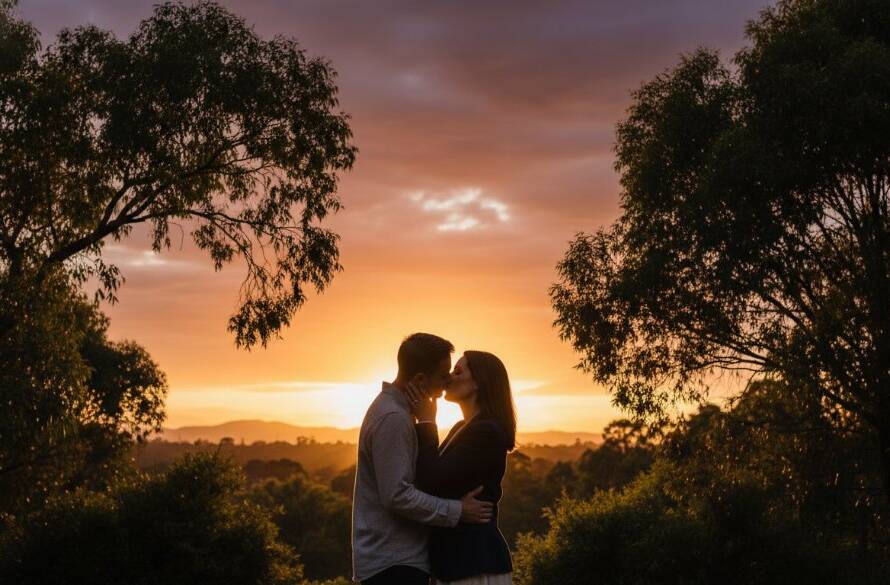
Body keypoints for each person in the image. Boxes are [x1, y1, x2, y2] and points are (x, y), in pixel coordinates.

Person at [352, 333, 494, 585]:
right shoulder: (394, 419)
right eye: (443, 375)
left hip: (395, 562)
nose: (448, 380)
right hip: (394, 565)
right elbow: (397, 495)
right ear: (419, 379)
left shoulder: (397, 413)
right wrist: (457, 511)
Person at [406, 350, 516, 585]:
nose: (448, 378)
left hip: (475, 563)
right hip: (455, 564)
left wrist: (427, 422)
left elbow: (432, 481)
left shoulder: (486, 432)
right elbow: (428, 472)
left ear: (478, 382)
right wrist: (457, 507)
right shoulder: (461, 427)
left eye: (458, 371)